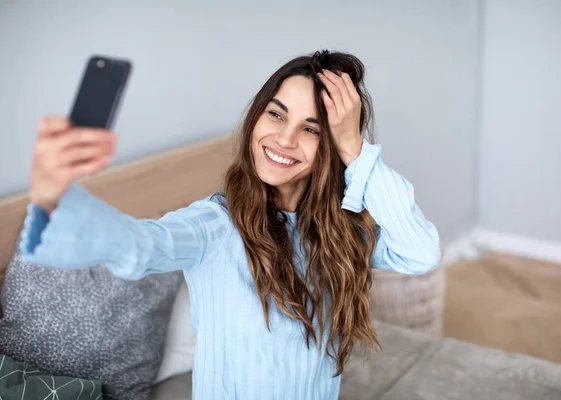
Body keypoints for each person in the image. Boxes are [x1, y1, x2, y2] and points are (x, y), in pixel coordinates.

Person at [22, 50, 441, 399]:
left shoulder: (340, 232)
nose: (284, 139)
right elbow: (142, 244)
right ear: (256, 116)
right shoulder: (215, 226)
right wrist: (50, 195)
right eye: (276, 115)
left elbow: (420, 253)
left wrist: (356, 147)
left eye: (311, 129)